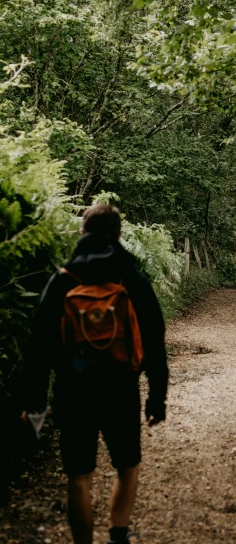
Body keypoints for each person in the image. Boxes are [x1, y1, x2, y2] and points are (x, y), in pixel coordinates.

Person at [21, 203, 169, 544]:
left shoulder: (62, 281)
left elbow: (39, 347)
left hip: (73, 391)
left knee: (79, 476)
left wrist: (35, 402)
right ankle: (118, 535)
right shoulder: (131, 279)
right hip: (121, 388)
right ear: (119, 235)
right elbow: (154, 342)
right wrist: (156, 398)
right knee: (127, 466)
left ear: (82, 233)